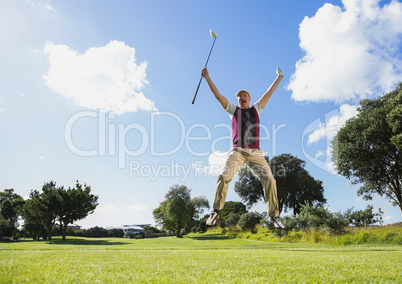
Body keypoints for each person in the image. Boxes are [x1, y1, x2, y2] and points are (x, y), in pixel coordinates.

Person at [202, 66, 285, 229]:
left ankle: (274, 217)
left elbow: (269, 92)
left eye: (245, 95)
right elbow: (218, 95)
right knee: (224, 177)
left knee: (270, 180)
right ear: (238, 100)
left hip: (256, 153)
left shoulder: (257, 108)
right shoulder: (233, 110)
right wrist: (207, 78)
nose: (242, 97)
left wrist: (279, 78)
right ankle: (216, 212)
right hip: (238, 151)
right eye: (239, 96)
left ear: (249, 98)